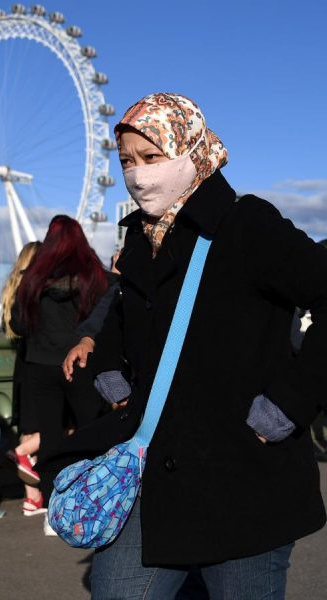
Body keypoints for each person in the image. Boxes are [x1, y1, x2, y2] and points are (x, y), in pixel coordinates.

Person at [63, 93, 327, 599]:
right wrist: (109, 367)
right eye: (126, 161)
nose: (138, 175)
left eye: (151, 156)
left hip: (244, 480)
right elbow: (127, 310)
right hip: (151, 473)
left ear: (190, 150)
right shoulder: (139, 237)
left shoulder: (246, 224)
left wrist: (289, 403)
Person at [10, 215, 109, 532]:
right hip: (79, 364)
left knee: (51, 439)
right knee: (91, 432)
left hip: (39, 365)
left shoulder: (34, 279)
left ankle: (55, 513)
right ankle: (94, 503)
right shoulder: (93, 276)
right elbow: (106, 315)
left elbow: (18, 324)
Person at [1, 241, 45, 516]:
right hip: (39, 362)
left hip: (21, 366)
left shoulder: (11, 288)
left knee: (29, 427)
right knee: (55, 424)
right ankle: (19, 451)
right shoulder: (35, 289)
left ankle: (33, 499)